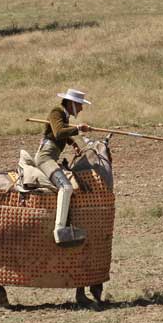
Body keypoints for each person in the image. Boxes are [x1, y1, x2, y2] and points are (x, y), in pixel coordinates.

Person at [35, 88, 92, 246]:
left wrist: (72, 143)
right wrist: (78, 129)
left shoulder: (63, 115)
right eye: (79, 105)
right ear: (72, 104)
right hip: (45, 158)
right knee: (66, 187)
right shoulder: (57, 112)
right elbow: (59, 132)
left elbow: (61, 134)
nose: (81, 108)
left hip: (51, 156)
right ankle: (59, 230)